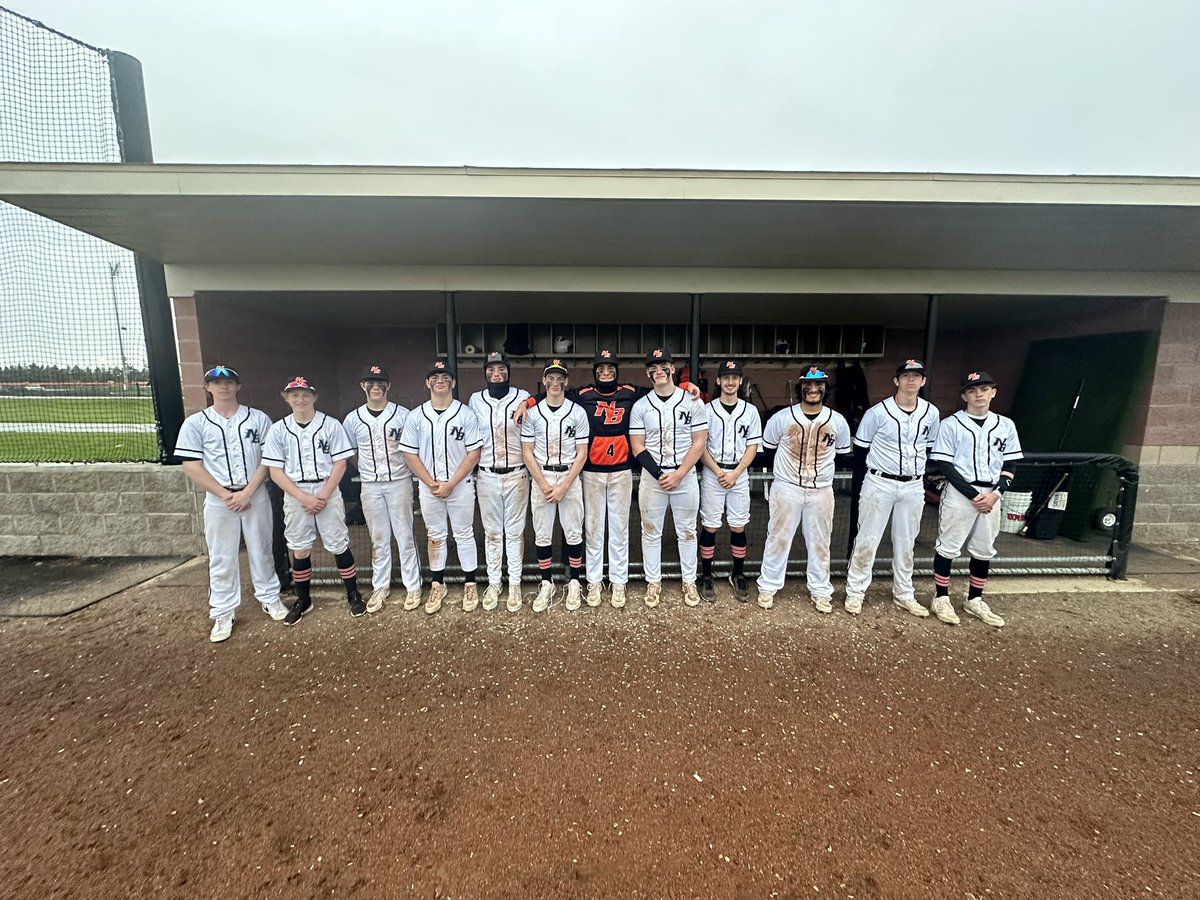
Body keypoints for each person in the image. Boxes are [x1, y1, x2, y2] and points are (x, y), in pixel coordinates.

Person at [556, 349, 700, 609]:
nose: (606, 373)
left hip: (621, 470)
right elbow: (553, 395)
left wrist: (685, 385)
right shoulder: (584, 394)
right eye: (601, 370)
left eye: (610, 369)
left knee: (620, 529)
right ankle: (594, 581)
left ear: (617, 371)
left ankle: (619, 581)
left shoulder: (631, 392)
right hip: (592, 470)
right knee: (593, 529)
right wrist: (527, 403)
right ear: (595, 372)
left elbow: (662, 388)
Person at [175, 365, 285, 643]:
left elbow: (268, 460)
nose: (223, 386)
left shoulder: (258, 418)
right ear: (207, 387)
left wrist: (247, 492)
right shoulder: (196, 423)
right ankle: (223, 611)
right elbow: (191, 466)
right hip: (218, 498)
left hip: (254, 494)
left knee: (262, 549)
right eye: (216, 382)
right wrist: (225, 495)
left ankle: (270, 597)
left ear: (238, 386)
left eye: (229, 382)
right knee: (221, 556)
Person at [843, 359, 941, 617]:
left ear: (923, 381)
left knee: (906, 542)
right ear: (896, 380)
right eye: (906, 375)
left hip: (913, 484)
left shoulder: (931, 413)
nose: (911, 380)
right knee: (867, 539)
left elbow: (930, 446)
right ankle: (855, 591)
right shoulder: (877, 412)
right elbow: (861, 449)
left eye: (916, 376)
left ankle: (904, 593)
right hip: (880, 481)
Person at [262, 376, 363, 624]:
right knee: (299, 548)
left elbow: (340, 463)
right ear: (286, 397)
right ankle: (303, 599)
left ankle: (353, 593)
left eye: (305, 394)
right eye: (295, 395)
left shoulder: (330, 425)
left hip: (327, 489)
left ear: (314, 396)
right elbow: (275, 471)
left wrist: (323, 495)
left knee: (339, 543)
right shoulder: (278, 429)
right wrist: (303, 497)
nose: (300, 399)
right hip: (295, 491)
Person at [928, 371, 1023, 627]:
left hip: (992, 494)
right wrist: (974, 495)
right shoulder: (951, 424)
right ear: (964, 396)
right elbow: (945, 465)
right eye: (971, 390)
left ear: (993, 392)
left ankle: (975, 599)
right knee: (947, 547)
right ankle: (941, 597)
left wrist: (996, 494)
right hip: (960, 493)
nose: (978, 394)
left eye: (983, 389)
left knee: (983, 549)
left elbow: (1010, 464)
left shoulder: (1005, 425)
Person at [756, 366, 852, 612]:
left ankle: (820, 590)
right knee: (778, 538)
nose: (813, 389)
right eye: (807, 384)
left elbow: (842, 454)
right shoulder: (782, 417)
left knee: (821, 542)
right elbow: (769, 449)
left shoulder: (837, 420)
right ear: (800, 388)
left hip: (821, 489)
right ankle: (768, 585)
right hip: (787, 487)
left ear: (825, 388)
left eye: (819, 384)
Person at [400, 361, 484, 615]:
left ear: (453, 383)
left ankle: (470, 583)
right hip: (430, 486)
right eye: (435, 377)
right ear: (427, 382)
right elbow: (409, 454)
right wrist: (430, 482)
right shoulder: (416, 416)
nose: (440, 381)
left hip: (460, 485)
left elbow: (474, 453)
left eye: (445, 377)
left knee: (464, 534)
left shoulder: (465, 413)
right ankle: (438, 584)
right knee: (435, 535)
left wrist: (451, 483)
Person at [629, 348, 709, 608]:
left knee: (687, 531)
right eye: (653, 367)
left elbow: (699, 442)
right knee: (651, 531)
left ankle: (689, 580)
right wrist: (660, 475)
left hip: (684, 475)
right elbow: (638, 446)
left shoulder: (693, 400)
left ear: (673, 369)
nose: (659, 371)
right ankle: (653, 581)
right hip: (654, 476)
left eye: (664, 365)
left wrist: (679, 473)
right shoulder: (641, 405)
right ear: (648, 373)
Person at [342, 364, 422, 614]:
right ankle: (380, 586)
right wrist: (367, 470)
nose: (375, 387)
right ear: (363, 386)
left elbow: (413, 449)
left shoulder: (403, 415)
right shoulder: (353, 418)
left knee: (405, 535)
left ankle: (413, 586)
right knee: (378, 538)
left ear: (388, 386)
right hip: (370, 484)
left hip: (399, 481)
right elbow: (351, 453)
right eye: (370, 382)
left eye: (380, 383)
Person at [520, 360, 591, 612]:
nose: (555, 382)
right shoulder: (533, 413)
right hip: (542, 476)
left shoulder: (577, 412)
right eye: (550, 377)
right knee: (542, 534)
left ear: (566, 381)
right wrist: (543, 484)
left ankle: (574, 581)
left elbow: (582, 453)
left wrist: (564, 486)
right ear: (544, 380)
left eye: (560, 378)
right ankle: (546, 582)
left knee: (574, 532)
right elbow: (527, 452)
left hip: (569, 476)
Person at [467, 351, 531, 613]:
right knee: (492, 533)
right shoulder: (475, 399)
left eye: (501, 368)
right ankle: (494, 582)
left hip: (517, 473)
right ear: (485, 372)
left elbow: (538, 403)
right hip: (487, 474)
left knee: (515, 533)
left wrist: (527, 402)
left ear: (508, 371)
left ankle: (514, 583)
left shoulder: (522, 395)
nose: (497, 373)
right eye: (492, 369)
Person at [697, 359, 762, 602]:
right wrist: (718, 472)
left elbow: (753, 446)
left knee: (738, 525)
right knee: (710, 525)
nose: (731, 382)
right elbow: (700, 446)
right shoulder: (707, 409)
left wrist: (735, 473)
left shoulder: (750, 411)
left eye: (734, 378)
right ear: (718, 381)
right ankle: (706, 575)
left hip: (739, 474)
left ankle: (738, 573)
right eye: (726, 378)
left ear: (740, 381)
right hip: (713, 472)